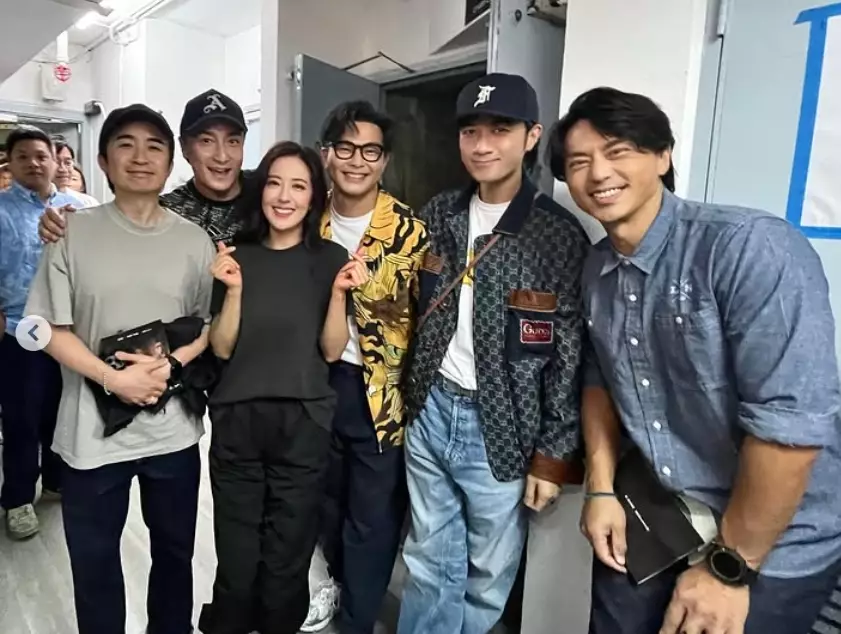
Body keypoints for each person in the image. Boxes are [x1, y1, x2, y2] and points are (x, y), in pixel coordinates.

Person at [546, 86, 841, 634]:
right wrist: (601, 488)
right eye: (579, 162)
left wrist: (730, 567)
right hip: (662, 503)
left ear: (662, 155)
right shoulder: (596, 270)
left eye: (618, 151)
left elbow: (791, 429)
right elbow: (599, 377)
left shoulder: (748, 248)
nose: (599, 173)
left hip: (770, 533)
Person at [397, 73, 589, 634]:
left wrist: (552, 457)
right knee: (428, 558)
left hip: (503, 426)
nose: (482, 145)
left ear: (532, 137)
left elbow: (569, 358)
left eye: (500, 130)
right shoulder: (439, 215)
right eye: (470, 131)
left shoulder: (556, 235)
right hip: (431, 406)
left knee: (488, 573)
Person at [24, 104, 215, 634]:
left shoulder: (194, 242)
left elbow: (207, 325)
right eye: (125, 144)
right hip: (91, 437)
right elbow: (49, 329)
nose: (140, 157)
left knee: (174, 555)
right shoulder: (70, 233)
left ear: (170, 162)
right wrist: (114, 379)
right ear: (104, 161)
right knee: (95, 565)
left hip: (172, 433)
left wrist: (170, 364)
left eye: (155, 146)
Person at [197, 141, 367, 634]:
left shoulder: (329, 258)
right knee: (236, 549)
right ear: (260, 190)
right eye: (274, 183)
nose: (284, 196)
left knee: (288, 551)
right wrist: (233, 291)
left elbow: (332, 351)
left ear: (314, 197)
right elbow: (222, 348)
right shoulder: (236, 256)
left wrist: (339, 295)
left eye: (298, 186)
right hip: (238, 420)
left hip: (303, 420)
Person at [302, 101, 428, 634]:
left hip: (382, 394)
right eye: (346, 148)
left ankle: (358, 619)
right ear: (326, 154)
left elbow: (428, 319)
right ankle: (334, 586)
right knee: (324, 502)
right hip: (314, 384)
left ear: (385, 160)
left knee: (372, 516)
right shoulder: (306, 219)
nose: (357, 161)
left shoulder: (411, 232)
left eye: (370, 151)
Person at [0, 125, 82, 540]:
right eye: (23, 157)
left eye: (41, 156)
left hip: (69, 331)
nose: (33, 163)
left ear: (55, 161)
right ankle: (17, 500)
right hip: (18, 332)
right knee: (21, 420)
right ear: (10, 163)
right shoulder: (1, 211)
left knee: (61, 413)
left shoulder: (79, 209)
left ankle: (55, 481)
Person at [39, 88, 253, 245]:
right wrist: (61, 224)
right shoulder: (166, 211)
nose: (222, 156)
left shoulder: (265, 192)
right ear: (184, 148)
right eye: (206, 141)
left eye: (233, 141)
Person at [54, 141, 99, 207]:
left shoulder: (88, 203)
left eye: (68, 163)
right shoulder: (38, 203)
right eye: (56, 162)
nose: (63, 169)